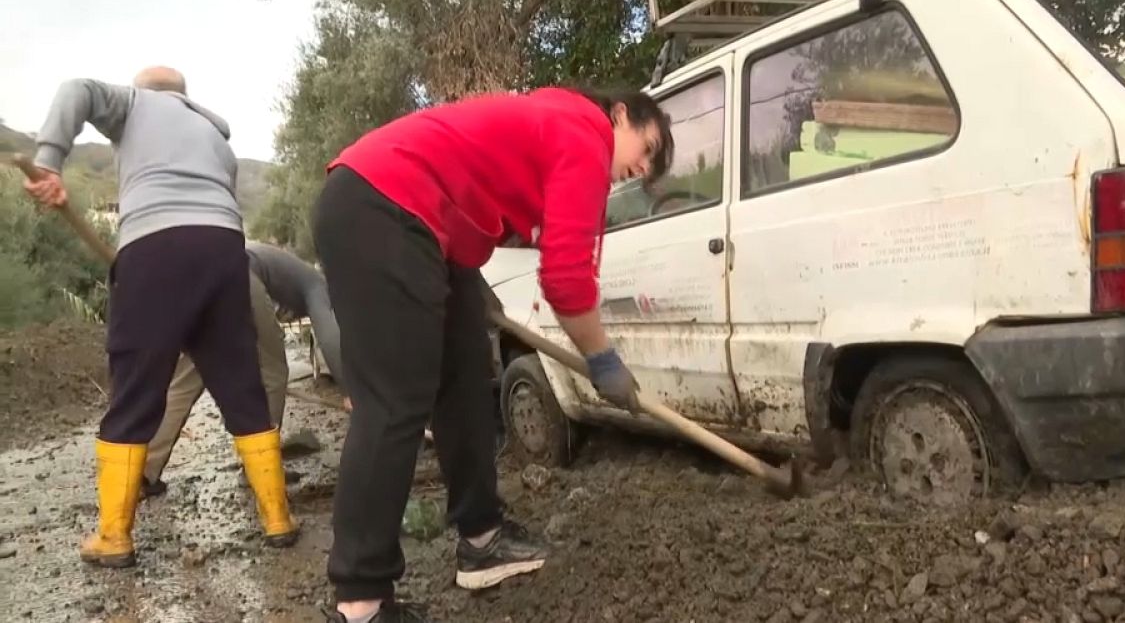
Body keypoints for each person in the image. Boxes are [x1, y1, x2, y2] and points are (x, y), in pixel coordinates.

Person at [312, 85, 673, 623]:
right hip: (382, 206)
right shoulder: (587, 134)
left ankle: (482, 539)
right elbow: (568, 279)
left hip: (420, 221)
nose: (643, 170)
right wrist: (601, 358)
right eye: (647, 149)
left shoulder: (558, 120)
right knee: (394, 403)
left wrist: (464, 270)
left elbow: (489, 185)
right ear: (619, 115)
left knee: (464, 379)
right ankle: (360, 602)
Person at [24, 67, 298, 568]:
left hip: (154, 247)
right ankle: (278, 519)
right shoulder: (217, 139)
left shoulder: (135, 103)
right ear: (186, 96)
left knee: (136, 386)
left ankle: (114, 536)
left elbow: (76, 90)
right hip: (223, 249)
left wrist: (49, 161)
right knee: (241, 386)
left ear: (146, 89)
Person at [142, 240, 344, 497]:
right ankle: (259, 468)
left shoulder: (288, 271)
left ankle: (146, 471)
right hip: (237, 272)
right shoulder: (319, 285)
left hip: (200, 274)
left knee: (188, 377)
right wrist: (350, 390)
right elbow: (328, 337)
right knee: (273, 373)